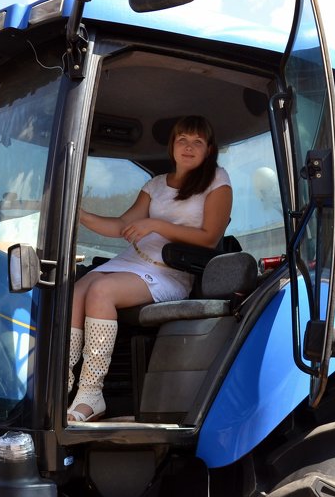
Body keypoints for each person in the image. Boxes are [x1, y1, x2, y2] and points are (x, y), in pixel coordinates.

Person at [66, 115, 233, 422]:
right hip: (134, 259)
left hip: (170, 269)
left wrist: (156, 224)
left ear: (209, 150)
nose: (188, 147)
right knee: (78, 289)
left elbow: (209, 238)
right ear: (172, 146)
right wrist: (78, 214)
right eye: (182, 139)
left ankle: (91, 394)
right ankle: (63, 385)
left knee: (101, 290)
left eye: (197, 141)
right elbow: (121, 226)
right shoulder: (155, 185)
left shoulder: (217, 182)